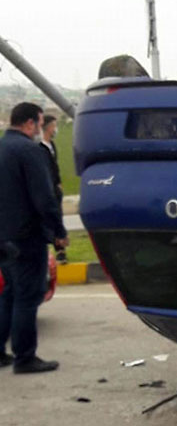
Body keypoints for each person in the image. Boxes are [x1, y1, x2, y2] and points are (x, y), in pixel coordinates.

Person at [0, 102, 69, 374]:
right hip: (26, 238)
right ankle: (25, 357)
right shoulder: (29, 151)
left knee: (7, 294)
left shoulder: (2, 147)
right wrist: (58, 233)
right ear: (30, 123)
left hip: (3, 237)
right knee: (28, 297)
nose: (41, 129)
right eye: (40, 124)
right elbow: (45, 198)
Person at [38, 114, 67, 264]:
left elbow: (54, 167)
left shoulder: (52, 145)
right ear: (48, 127)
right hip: (47, 189)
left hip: (55, 188)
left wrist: (59, 182)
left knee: (58, 217)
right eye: (54, 126)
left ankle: (61, 250)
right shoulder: (39, 148)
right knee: (49, 218)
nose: (56, 129)